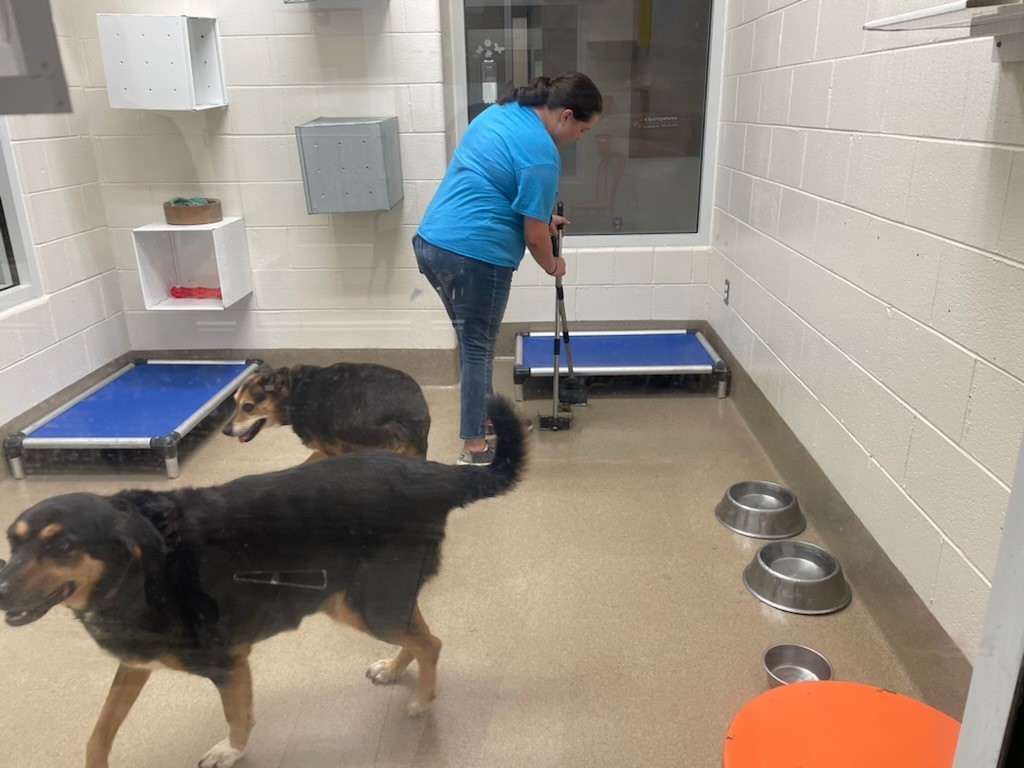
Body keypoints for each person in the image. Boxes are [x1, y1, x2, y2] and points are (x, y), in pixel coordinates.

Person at [414, 71, 603, 466]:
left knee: (471, 346)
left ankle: (484, 419)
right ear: (566, 116)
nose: (580, 138)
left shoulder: (500, 113)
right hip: (475, 255)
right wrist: (554, 264)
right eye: (583, 130)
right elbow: (535, 238)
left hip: (433, 244)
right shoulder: (543, 157)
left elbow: (493, 181)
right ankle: (475, 447)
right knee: (479, 349)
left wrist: (542, 217)